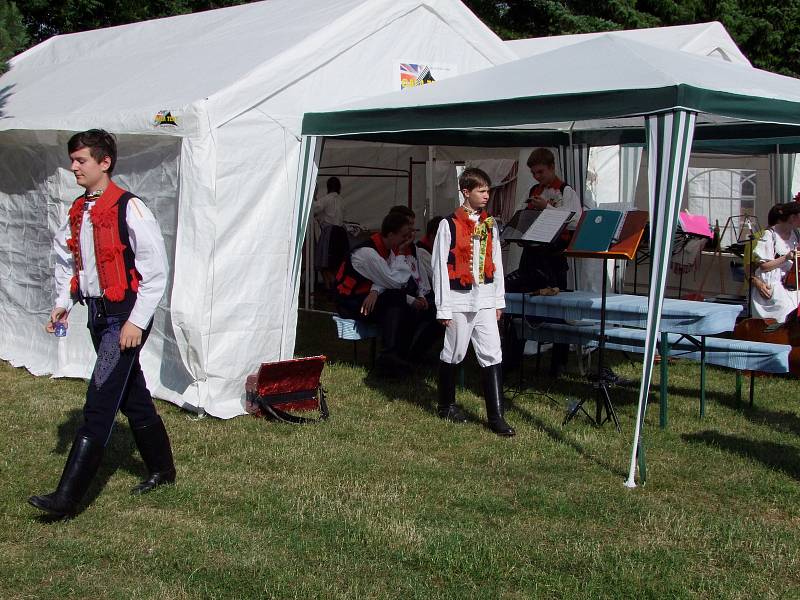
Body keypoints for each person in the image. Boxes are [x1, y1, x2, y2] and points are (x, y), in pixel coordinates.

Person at [29, 130, 174, 518]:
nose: (73, 166)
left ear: (104, 162)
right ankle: (163, 469)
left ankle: (67, 498)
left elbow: (156, 272)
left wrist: (136, 322)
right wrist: (63, 302)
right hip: (98, 316)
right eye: (72, 160)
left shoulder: (131, 207)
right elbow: (69, 261)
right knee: (132, 396)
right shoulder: (79, 209)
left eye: (81, 161)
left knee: (100, 399)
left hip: (123, 319)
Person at [432, 167, 514, 436]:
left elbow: (497, 262)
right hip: (458, 299)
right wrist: (443, 306)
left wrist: (498, 299)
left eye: (488, 191)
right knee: (454, 351)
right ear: (466, 192)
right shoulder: (449, 225)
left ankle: (496, 416)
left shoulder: (490, 224)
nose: (486, 196)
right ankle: (446, 404)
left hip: (486, 299)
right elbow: (440, 268)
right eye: (481, 191)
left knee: (492, 351)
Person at [517, 148, 583, 376]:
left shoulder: (567, 191)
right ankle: (517, 354)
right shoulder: (535, 190)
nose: (538, 177)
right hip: (533, 254)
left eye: (541, 172)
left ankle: (559, 363)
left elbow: (575, 220)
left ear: (552, 167)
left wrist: (548, 208)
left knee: (558, 306)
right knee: (524, 301)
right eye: (534, 173)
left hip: (554, 256)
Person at [335, 211, 417, 371]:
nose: (406, 240)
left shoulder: (386, 249)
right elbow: (395, 281)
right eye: (404, 236)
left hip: (366, 297)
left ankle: (398, 355)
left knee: (406, 307)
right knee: (397, 300)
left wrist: (375, 291)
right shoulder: (368, 253)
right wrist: (401, 252)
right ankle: (389, 356)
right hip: (349, 302)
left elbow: (385, 278)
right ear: (392, 234)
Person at [750, 202, 800, 323]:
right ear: (793, 217)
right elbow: (763, 266)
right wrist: (786, 257)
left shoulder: (796, 235)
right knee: (786, 310)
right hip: (773, 283)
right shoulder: (769, 235)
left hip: (791, 283)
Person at [313, 177, 348, 291]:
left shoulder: (326, 199)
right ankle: (334, 288)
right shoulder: (341, 200)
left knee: (324, 263)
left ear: (328, 187)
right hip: (341, 233)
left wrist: (312, 198)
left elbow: (314, 209)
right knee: (336, 263)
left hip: (330, 234)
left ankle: (331, 287)